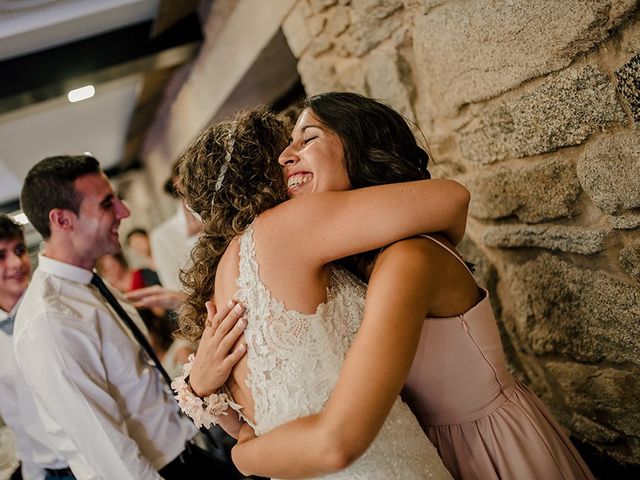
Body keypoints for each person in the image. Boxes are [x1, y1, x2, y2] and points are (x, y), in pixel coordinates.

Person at [187, 92, 595, 480]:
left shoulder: (406, 259)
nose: (285, 158)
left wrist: (241, 452)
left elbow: (452, 199)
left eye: (307, 138)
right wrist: (202, 390)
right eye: (285, 144)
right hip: (416, 449)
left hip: (491, 450)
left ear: (361, 146)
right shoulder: (335, 267)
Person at [174, 107, 471, 478]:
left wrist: (237, 442)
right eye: (288, 147)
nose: (292, 156)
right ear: (269, 166)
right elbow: (449, 199)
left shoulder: (221, 280)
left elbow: (242, 423)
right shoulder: (288, 228)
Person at [14, 155, 238, 480]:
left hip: (188, 449)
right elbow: (106, 450)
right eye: (107, 204)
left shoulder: (89, 282)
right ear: (62, 220)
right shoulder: (51, 320)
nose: (124, 212)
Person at [0, 214, 71, 480]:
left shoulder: (57, 304)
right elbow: (15, 416)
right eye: (1, 256)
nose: (16, 263)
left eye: (19, 250)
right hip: (47, 471)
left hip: (93, 459)